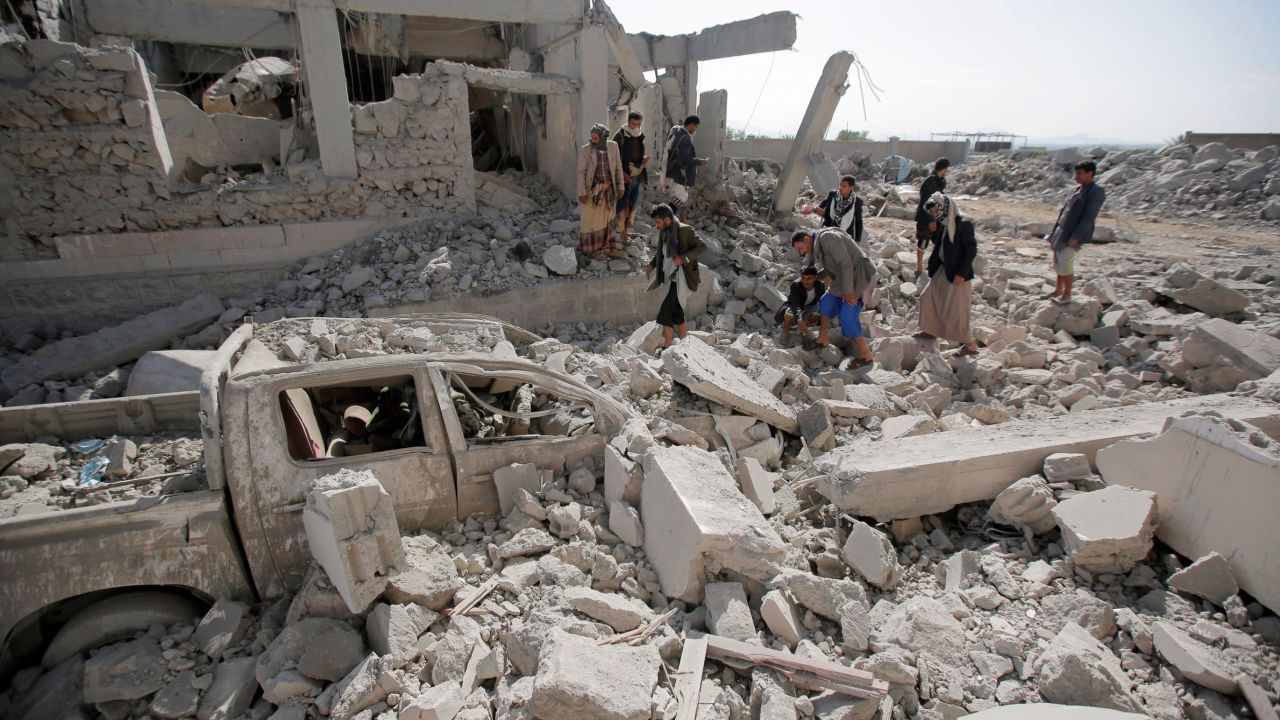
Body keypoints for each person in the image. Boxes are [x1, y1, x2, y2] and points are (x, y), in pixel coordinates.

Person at [790, 227, 876, 366]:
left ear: (807, 239)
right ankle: (823, 339)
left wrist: (848, 292)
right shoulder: (820, 244)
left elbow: (845, 263)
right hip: (844, 276)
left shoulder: (828, 238)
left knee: (847, 315)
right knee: (826, 303)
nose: (802, 252)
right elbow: (834, 266)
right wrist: (815, 277)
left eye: (801, 248)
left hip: (860, 276)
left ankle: (866, 354)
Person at [917, 192, 979, 356]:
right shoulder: (944, 224)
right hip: (944, 268)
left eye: (936, 210)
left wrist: (962, 273)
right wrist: (933, 231)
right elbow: (941, 244)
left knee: (957, 310)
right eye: (932, 212)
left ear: (944, 207)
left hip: (957, 273)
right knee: (928, 296)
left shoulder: (963, 224)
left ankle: (970, 345)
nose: (934, 214)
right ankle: (930, 331)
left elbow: (971, 250)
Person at [646, 203, 707, 348]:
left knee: (665, 310)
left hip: (683, 277)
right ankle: (685, 344)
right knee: (676, 311)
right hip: (669, 276)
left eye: (658, 222)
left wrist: (683, 258)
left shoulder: (684, 230)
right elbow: (661, 251)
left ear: (667, 220)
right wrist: (651, 264)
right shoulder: (664, 231)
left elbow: (702, 247)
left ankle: (667, 346)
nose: (656, 225)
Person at [1046, 160, 1106, 303]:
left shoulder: (1095, 192)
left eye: (1079, 173)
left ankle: (1067, 295)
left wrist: (1076, 236)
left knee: (1066, 263)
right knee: (1058, 263)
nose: (1076, 176)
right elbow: (1065, 212)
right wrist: (1054, 231)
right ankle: (1058, 290)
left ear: (1090, 173)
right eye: (1076, 173)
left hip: (1072, 234)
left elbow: (1088, 217)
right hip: (1062, 231)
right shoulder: (1079, 189)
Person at [577, 123, 625, 261]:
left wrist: (621, 186)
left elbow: (618, 169)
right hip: (593, 191)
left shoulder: (613, 147)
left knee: (608, 219)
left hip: (609, 190)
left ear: (603, 138)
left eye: (596, 138)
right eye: (591, 137)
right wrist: (582, 192)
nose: (592, 140)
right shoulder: (585, 150)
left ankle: (610, 248)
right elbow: (581, 172)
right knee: (591, 220)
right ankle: (594, 250)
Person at [613, 111, 650, 248]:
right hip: (624, 177)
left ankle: (625, 230)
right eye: (633, 124)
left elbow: (637, 154)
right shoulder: (619, 136)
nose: (635, 127)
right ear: (628, 122)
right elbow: (613, 158)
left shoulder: (639, 135)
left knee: (632, 204)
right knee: (622, 204)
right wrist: (621, 174)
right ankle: (620, 232)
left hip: (636, 176)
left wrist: (644, 160)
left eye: (638, 124)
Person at [663, 114, 709, 216]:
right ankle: (668, 225)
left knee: (675, 203)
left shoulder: (678, 132)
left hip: (675, 174)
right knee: (676, 204)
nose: (696, 130)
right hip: (679, 176)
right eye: (696, 127)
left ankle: (673, 224)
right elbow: (685, 158)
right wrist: (700, 161)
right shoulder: (685, 138)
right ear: (692, 125)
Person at [802, 174, 865, 244]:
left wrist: (857, 240)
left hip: (845, 235)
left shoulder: (856, 202)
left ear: (851, 187)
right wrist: (811, 208)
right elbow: (821, 207)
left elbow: (858, 222)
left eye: (844, 186)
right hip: (827, 231)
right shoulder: (832, 195)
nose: (841, 188)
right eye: (840, 185)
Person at [915, 158, 950, 277]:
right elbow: (927, 201)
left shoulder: (939, 181)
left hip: (937, 216)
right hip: (927, 217)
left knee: (938, 241)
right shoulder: (930, 181)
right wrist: (931, 219)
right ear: (944, 168)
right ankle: (919, 268)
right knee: (924, 240)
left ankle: (931, 265)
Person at [777, 266, 826, 347]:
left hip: (810, 306)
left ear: (815, 278)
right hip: (796, 307)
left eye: (809, 278)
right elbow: (795, 304)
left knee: (822, 310)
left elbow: (822, 302)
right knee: (789, 313)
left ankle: (806, 326)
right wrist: (799, 319)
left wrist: (818, 316)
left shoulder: (820, 286)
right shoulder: (796, 285)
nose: (805, 282)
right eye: (803, 278)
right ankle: (785, 330)